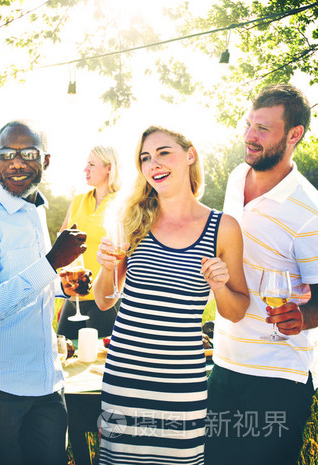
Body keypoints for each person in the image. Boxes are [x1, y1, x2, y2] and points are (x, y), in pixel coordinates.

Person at [93, 126, 249, 464]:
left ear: (190, 155)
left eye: (163, 152)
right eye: (145, 158)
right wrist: (107, 267)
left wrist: (220, 285)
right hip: (126, 377)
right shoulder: (132, 219)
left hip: (181, 381)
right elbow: (104, 300)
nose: (154, 164)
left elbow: (236, 311)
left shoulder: (224, 228)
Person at [0, 120, 88, 465]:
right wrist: (51, 263)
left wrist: (62, 285)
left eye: (28, 153)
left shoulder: (36, 210)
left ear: (45, 160)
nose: (16, 162)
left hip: (46, 383)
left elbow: (29, 287)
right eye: (7, 154)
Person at [206, 83, 318, 465]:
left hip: (277, 377)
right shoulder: (238, 177)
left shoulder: (308, 210)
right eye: (249, 125)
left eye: (263, 129)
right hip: (224, 361)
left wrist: (302, 317)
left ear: (294, 135)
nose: (250, 137)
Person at [57, 145, 121, 340]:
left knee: (99, 362)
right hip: (75, 294)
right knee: (62, 351)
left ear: (109, 167)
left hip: (105, 298)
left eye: (92, 164)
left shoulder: (122, 203)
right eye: (86, 164)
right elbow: (61, 241)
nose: (86, 169)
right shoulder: (77, 201)